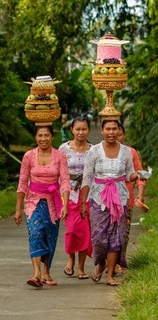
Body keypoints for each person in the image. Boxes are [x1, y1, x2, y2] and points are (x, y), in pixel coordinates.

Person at [80, 119, 141, 286]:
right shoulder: (94, 151)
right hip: (98, 199)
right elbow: (87, 177)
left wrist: (138, 176)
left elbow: (130, 174)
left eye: (115, 129)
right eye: (108, 129)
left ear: (119, 131)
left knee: (116, 237)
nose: (112, 132)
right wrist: (83, 203)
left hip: (120, 199)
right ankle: (101, 265)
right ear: (102, 130)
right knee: (99, 237)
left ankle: (110, 275)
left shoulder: (126, 151)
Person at [15, 125, 71, 288]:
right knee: (36, 233)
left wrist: (65, 205)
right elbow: (23, 182)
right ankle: (36, 273)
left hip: (53, 202)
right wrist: (18, 209)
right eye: (40, 135)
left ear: (52, 137)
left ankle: (46, 271)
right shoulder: (29, 156)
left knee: (50, 236)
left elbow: (65, 182)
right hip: (33, 201)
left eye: (46, 135)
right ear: (35, 137)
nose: (43, 139)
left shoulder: (60, 156)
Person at [59, 115, 93, 279]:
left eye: (84, 129)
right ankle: (70, 258)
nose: (81, 132)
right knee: (72, 230)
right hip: (68, 193)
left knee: (84, 231)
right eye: (78, 129)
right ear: (71, 130)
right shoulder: (63, 149)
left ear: (88, 130)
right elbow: (58, 171)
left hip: (87, 195)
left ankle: (80, 267)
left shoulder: (93, 150)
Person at [115, 123, 145, 274]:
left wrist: (141, 193)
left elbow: (140, 175)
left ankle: (120, 261)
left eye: (119, 134)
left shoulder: (131, 152)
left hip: (127, 197)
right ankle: (110, 262)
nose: (116, 137)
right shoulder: (101, 152)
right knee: (108, 231)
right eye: (112, 132)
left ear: (124, 135)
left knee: (123, 231)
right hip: (105, 197)